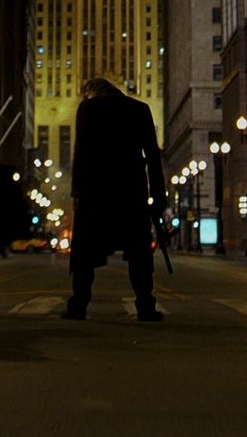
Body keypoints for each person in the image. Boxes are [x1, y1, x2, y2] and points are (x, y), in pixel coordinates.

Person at [64, 76, 168, 321]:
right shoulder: (140, 109)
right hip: (131, 191)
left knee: (85, 254)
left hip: (95, 191)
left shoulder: (88, 108)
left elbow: (81, 151)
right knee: (139, 252)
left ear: (91, 92)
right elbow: (153, 156)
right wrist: (158, 196)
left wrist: (76, 192)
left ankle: (79, 304)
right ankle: (145, 305)